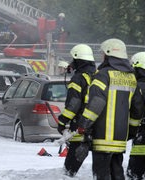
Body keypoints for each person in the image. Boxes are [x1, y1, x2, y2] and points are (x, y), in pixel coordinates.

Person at [77, 38, 143, 179]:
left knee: (102, 174)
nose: (101, 57)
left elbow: (96, 103)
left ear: (108, 54)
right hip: (120, 140)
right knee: (117, 173)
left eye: (103, 54)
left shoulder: (103, 75)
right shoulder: (131, 78)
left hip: (102, 138)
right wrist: (131, 132)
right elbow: (137, 109)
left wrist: (83, 125)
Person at [57, 44, 96, 177]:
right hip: (95, 123)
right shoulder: (98, 76)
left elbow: (74, 104)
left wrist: (62, 122)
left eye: (73, 60)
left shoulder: (78, 78)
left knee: (69, 170)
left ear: (78, 60)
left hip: (79, 124)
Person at [127, 52, 145, 179]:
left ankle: (135, 175)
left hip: (142, 130)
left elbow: (135, 109)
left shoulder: (138, 86)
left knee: (138, 159)